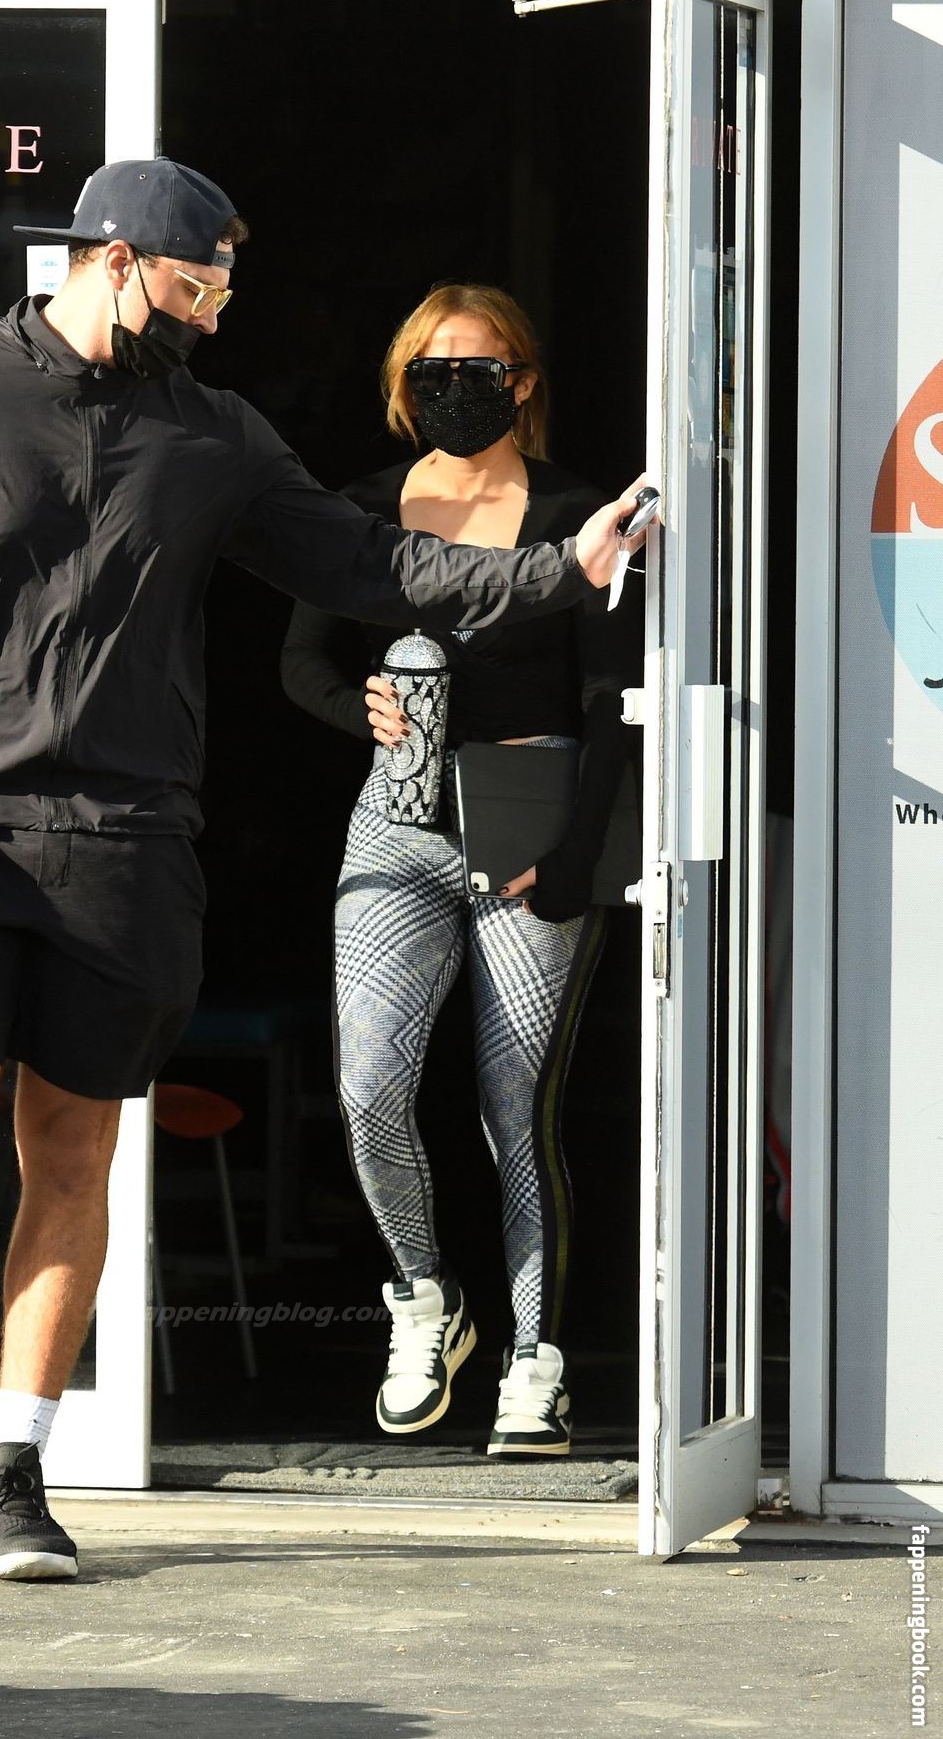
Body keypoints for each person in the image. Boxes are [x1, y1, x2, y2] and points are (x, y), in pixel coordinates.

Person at [0, 160, 647, 1583]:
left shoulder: (213, 433)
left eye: (223, 288)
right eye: (198, 285)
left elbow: (370, 566)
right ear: (114, 260)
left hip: (126, 843)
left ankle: (17, 1462)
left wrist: (554, 571)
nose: (215, 314)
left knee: (71, 1149)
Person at [281, 281, 640, 1459]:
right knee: (369, 1086)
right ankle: (423, 1300)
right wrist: (361, 708)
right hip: (397, 822)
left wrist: (579, 854)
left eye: (476, 369)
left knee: (515, 1107)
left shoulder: (579, 515)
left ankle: (537, 1361)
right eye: (429, 371)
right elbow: (302, 663)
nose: (451, 389)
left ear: (522, 381)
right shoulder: (360, 509)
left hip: (531, 822)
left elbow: (612, 700)